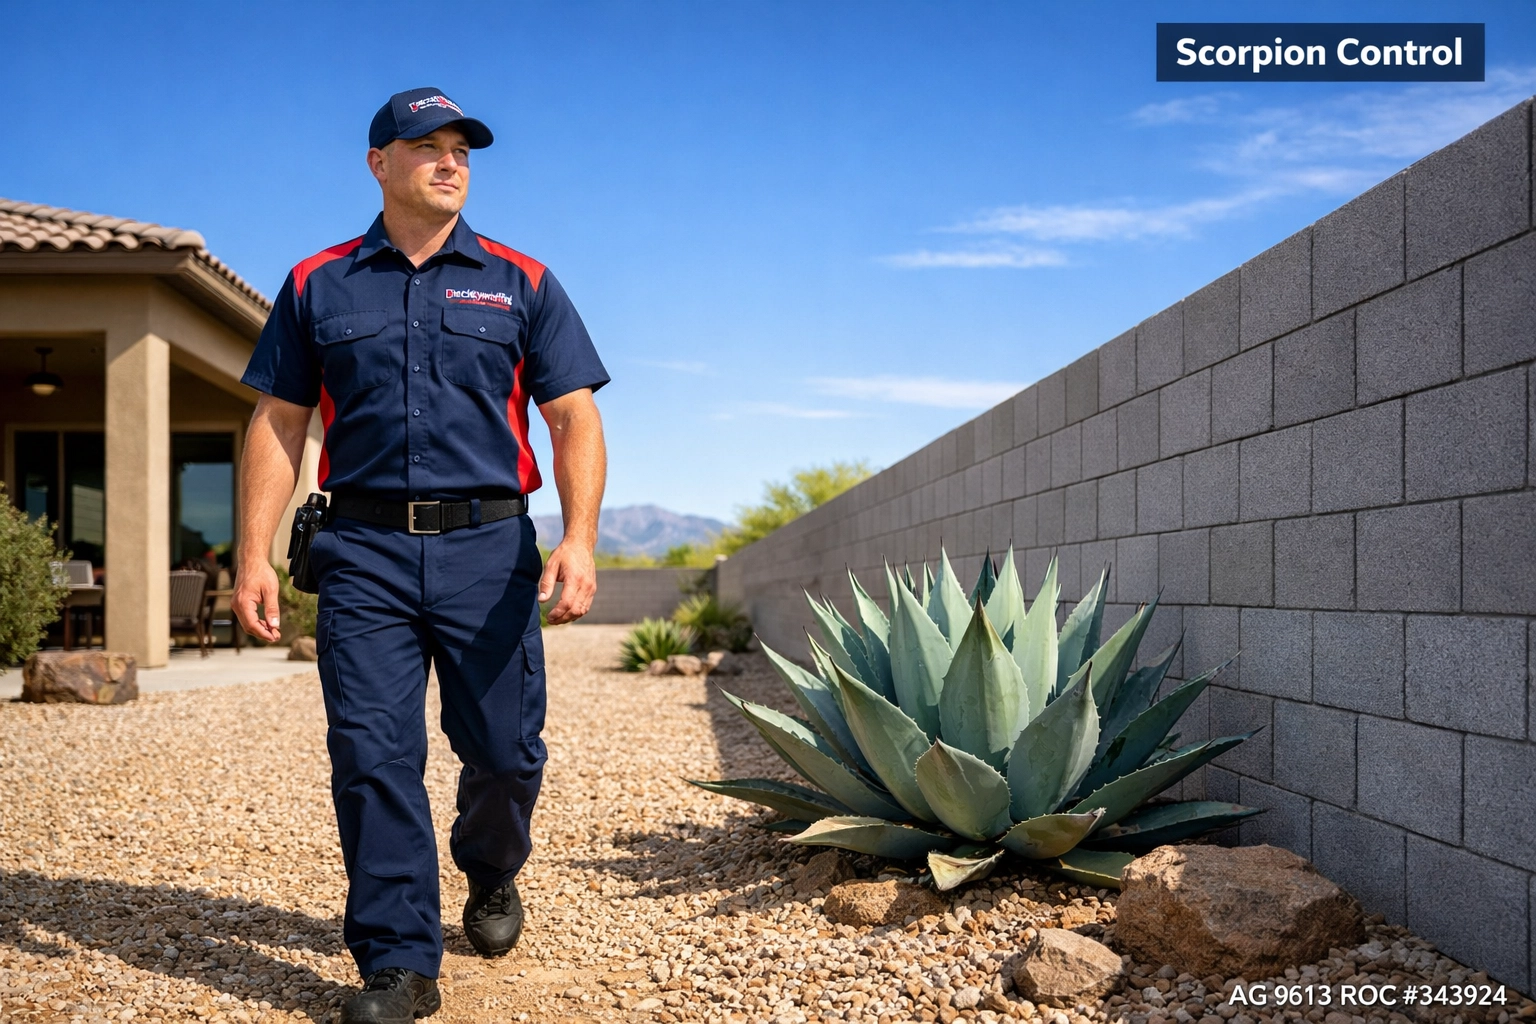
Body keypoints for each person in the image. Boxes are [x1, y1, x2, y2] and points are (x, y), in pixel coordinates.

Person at [232, 87, 608, 1024]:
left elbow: (573, 416)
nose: (450, 162)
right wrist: (253, 555)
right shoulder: (318, 282)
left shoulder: (522, 279)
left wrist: (581, 537)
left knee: (506, 752)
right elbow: (279, 422)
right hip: (361, 552)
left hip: (490, 550)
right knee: (372, 753)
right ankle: (399, 964)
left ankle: (489, 868)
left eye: (461, 150)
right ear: (379, 164)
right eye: (426, 146)